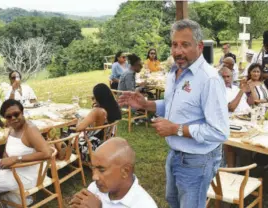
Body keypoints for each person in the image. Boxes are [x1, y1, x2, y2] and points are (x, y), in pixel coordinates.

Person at [118, 19, 229, 208]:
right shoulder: (175, 71)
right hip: (175, 153)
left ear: (200, 46)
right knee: (173, 201)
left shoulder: (209, 79)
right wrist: (147, 104)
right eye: (174, 45)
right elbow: (173, 105)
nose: (178, 51)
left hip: (197, 160)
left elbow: (220, 131)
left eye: (185, 45)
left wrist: (176, 129)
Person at [0, 99, 53, 205]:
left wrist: (16, 159)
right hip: (14, 170)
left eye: (16, 114)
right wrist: (6, 158)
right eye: (9, 116)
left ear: (22, 112)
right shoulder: (12, 128)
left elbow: (47, 153)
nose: (13, 118)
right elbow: (7, 150)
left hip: (28, 176)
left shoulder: (30, 129)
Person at [69, 137, 157, 208]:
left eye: (102, 169)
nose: (94, 177)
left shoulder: (145, 205)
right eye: (93, 167)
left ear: (125, 171)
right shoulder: (95, 188)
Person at [76, 84, 122, 163]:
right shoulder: (113, 108)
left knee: (66, 136)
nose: (93, 98)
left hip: (92, 148)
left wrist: (79, 119)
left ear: (98, 98)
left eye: (94, 97)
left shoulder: (97, 111)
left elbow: (78, 128)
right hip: (107, 145)